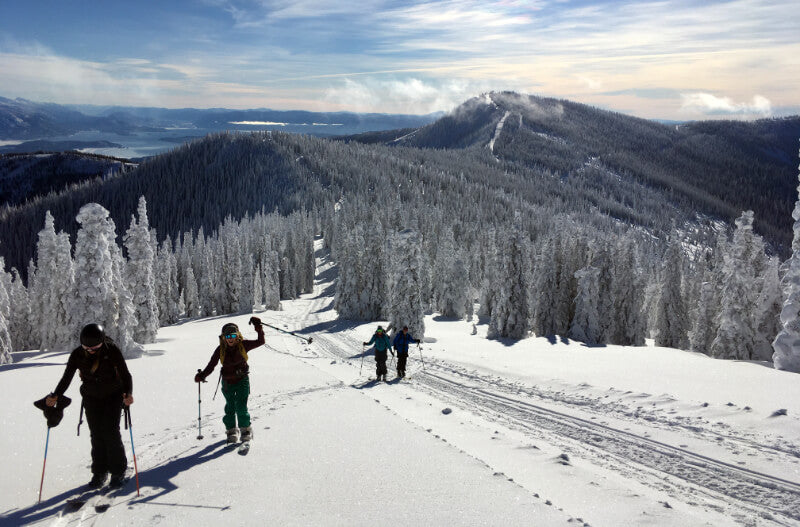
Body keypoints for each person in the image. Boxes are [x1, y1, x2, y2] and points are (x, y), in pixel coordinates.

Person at [45, 323, 134, 488]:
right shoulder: (78, 354)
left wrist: (128, 393)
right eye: (87, 348)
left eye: (95, 348)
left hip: (113, 396)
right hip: (91, 398)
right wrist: (56, 395)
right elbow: (67, 377)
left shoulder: (111, 350)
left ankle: (118, 471)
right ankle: (99, 472)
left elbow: (125, 374)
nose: (91, 351)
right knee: (96, 434)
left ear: (102, 342)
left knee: (111, 432)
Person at [195, 317, 264, 444]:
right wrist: (203, 375)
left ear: (237, 335)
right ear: (224, 337)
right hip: (227, 383)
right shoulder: (220, 349)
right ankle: (231, 431)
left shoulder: (243, 345)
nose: (230, 338)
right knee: (230, 407)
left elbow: (260, 341)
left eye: (233, 335)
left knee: (241, 407)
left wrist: (258, 328)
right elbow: (212, 365)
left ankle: (245, 430)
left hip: (242, 380)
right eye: (228, 336)